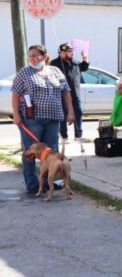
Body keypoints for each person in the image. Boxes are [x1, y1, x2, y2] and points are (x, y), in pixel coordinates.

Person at [11, 45, 74, 194]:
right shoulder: (24, 73)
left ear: (45, 56)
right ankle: (32, 183)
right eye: (30, 56)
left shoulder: (55, 71)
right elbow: (15, 94)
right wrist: (16, 114)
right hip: (32, 119)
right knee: (30, 151)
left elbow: (66, 92)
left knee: (52, 151)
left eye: (35, 55)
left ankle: (49, 181)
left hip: (53, 118)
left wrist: (70, 111)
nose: (32, 59)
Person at [53, 43, 89, 140]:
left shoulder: (75, 63)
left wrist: (85, 57)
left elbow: (84, 67)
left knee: (78, 113)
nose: (72, 53)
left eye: (72, 51)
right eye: (69, 51)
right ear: (62, 53)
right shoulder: (54, 63)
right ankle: (64, 136)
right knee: (63, 115)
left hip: (75, 94)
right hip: (61, 95)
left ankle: (78, 135)